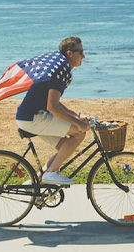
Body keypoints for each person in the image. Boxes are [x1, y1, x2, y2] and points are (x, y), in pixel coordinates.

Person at [15, 36, 92, 186]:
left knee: (65, 147)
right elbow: (53, 108)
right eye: (80, 52)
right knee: (79, 133)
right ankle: (50, 174)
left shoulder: (60, 68)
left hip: (30, 116)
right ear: (70, 53)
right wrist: (78, 124)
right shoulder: (59, 71)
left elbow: (54, 104)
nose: (84, 56)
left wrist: (77, 116)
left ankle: (35, 183)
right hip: (33, 118)